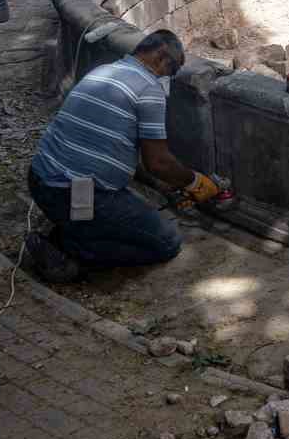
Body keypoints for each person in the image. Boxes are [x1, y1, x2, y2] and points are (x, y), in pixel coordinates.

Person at [23, 29, 232, 282]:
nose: (170, 78)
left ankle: (72, 228)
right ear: (161, 57)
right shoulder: (148, 88)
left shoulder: (102, 72)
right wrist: (196, 182)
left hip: (41, 180)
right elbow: (158, 162)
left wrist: (167, 186)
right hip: (73, 192)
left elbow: (126, 152)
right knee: (166, 242)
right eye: (173, 70)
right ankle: (69, 252)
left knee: (116, 215)